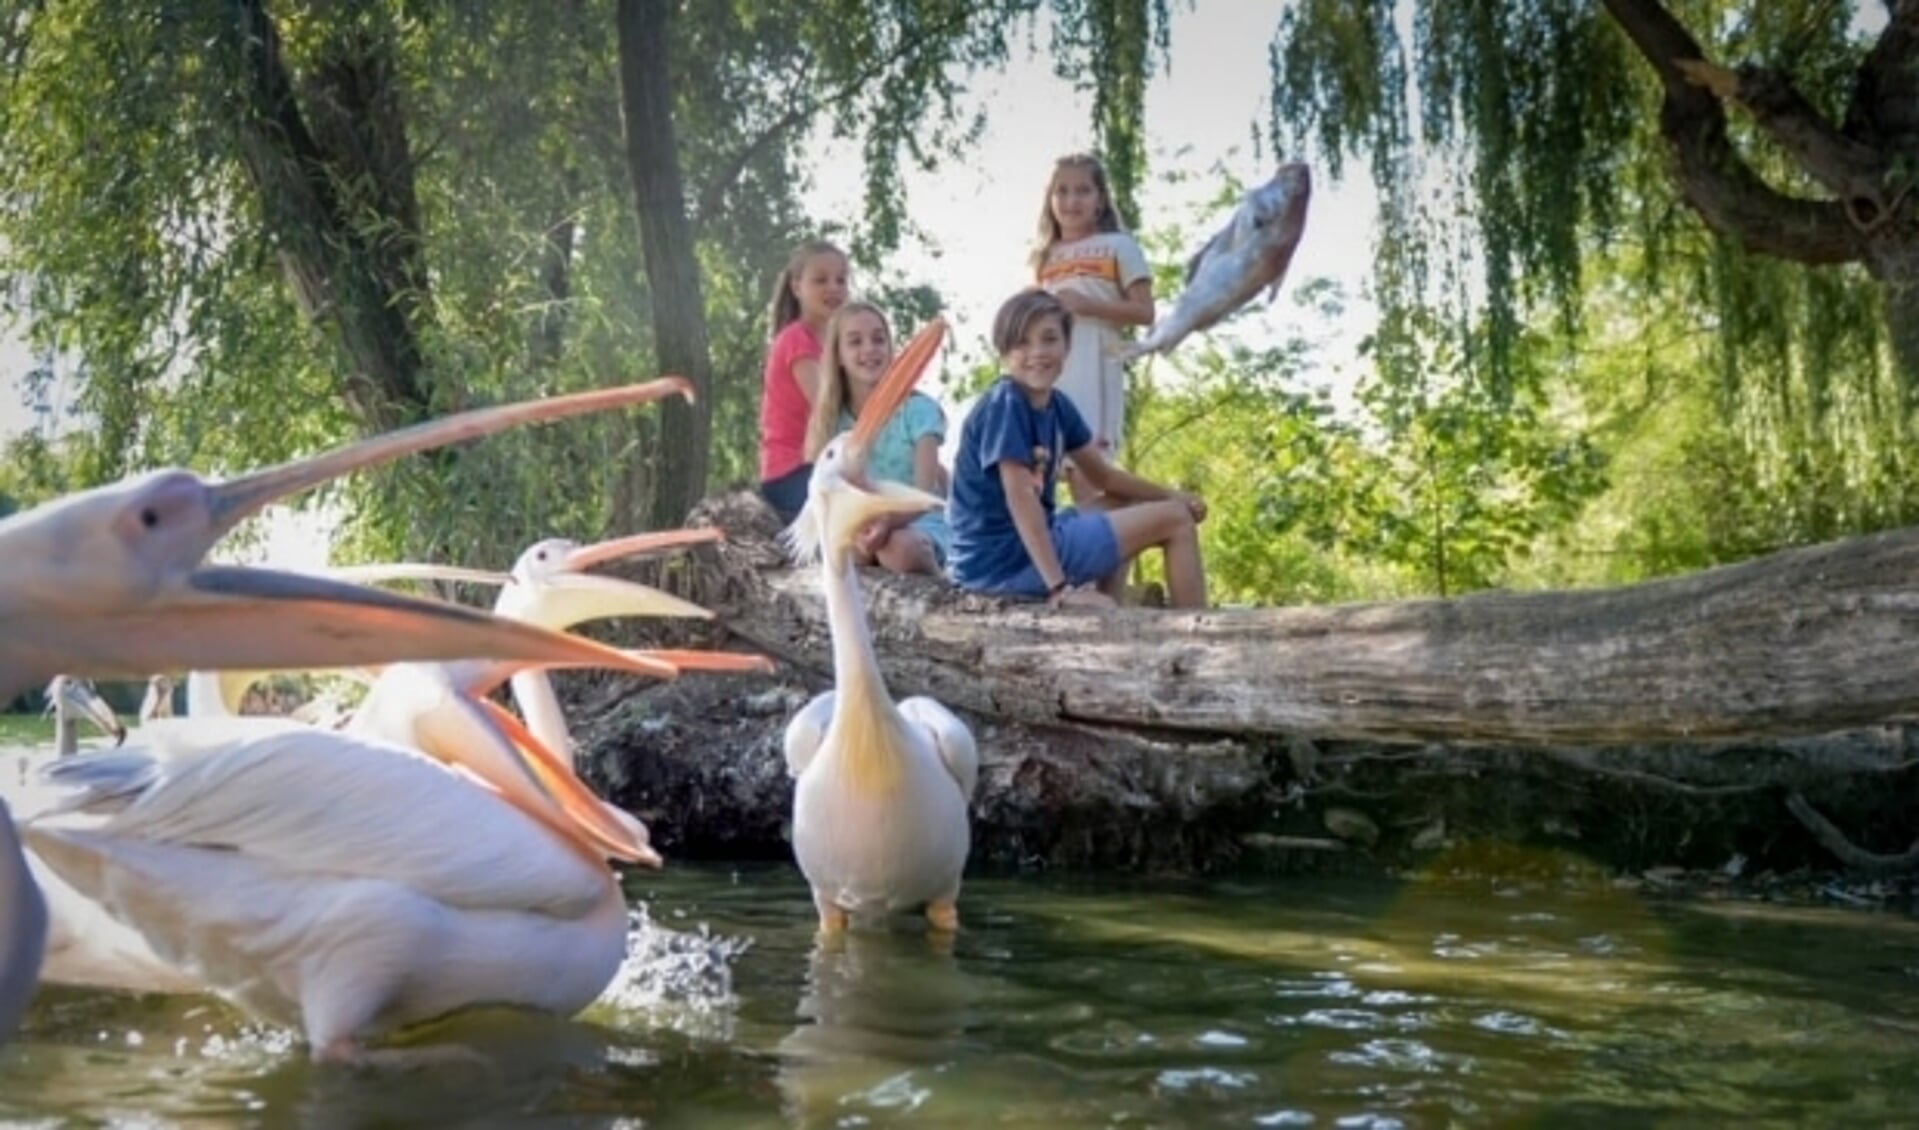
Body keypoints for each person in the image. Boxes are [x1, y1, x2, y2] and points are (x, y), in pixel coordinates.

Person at [948, 289, 1208, 609]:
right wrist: (1060, 588)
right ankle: (1199, 633)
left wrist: (1172, 495)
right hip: (1001, 566)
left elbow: (1106, 478)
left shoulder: (1058, 407)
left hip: (1020, 550)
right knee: (1176, 520)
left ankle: (1106, 613)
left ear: (1067, 346)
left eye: (1049, 339)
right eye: (1022, 343)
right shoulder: (1006, 404)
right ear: (1004, 354)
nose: (1037, 352)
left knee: (1128, 500)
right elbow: (1021, 499)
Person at [1030, 152, 1155, 504]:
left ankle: (1118, 543)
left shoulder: (1120, 246)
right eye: (1062, 191)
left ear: (1100, 199)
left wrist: (1087, 306)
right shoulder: (1044, 256)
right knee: (1042, 473)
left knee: (1090, 475)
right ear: (1050, 198)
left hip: (1094, 366)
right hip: (1049, 374)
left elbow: (1145, 312)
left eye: (1082, 191)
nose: (1071, 201)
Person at [803, 301, 950, 575]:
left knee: (900, 550)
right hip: (861, 523)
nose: (869, 348)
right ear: (838, 356)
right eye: (855, 342)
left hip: (915, 522)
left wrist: (888, 521)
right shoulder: (831, 422)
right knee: (848, 554)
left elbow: (924, 495)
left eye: (878, 339)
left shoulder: (919, 411)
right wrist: (859, 526)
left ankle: (942, 582)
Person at [759, 240, 850, 523]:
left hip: (822, 467)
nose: (833, 287)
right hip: (792, 473)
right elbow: (828, 405)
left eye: (841, 280)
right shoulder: (795, 339)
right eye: (821, 280)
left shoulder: (837, 346)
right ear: (797, 286)